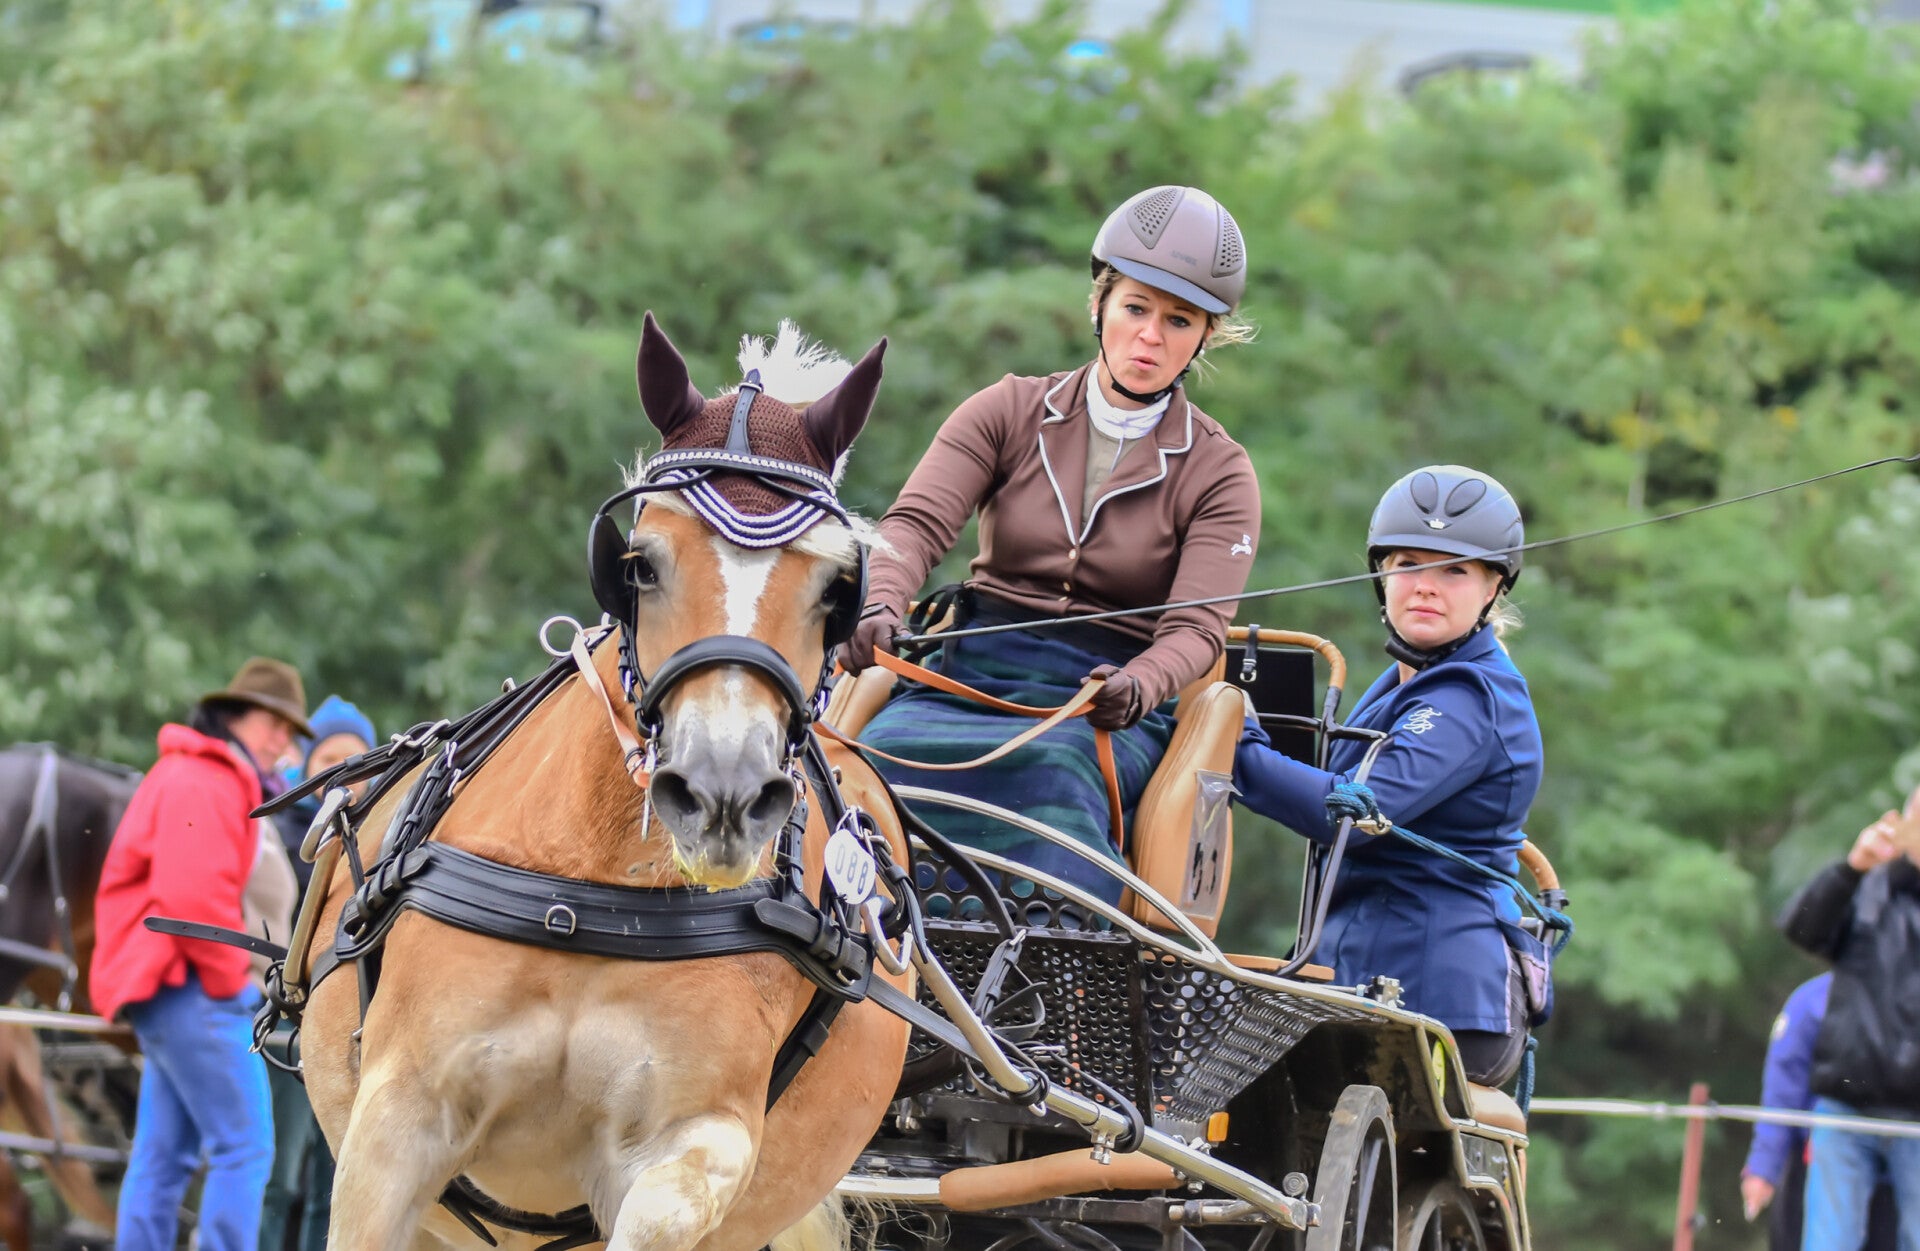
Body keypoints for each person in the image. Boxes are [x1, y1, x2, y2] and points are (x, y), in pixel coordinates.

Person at [843, 184, 1262, 905]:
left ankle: (1048, 961)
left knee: (1057, 770)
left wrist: (1142, 684)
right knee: (878, 755)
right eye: (1136, 308)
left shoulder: (1221, 471)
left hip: (1101, 701)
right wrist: (880, 602)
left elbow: (1196, 629)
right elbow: (913, 527)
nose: (1150, 337)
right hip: (972, 669)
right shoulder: (1005, 409)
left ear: (1204, 337)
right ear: (1099, 304)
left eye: (1178, 320)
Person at [1232, 466, 1543, 1086]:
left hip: (1439, 1005)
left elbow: (1351, 813)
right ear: (1381, 577)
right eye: (1408, 564)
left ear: (1492, 588)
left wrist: (1229, 737)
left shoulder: (1471, 697)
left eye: (1454, 570)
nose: (1425, 586)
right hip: (1360, 975)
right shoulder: (1407, 680)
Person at [91, 658, 312, 1251]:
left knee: (164, 1159)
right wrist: (231, 986)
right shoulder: (206, 776)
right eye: (274, 723)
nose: (282, 741)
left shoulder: (196, 771)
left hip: (171, 987)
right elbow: (191, 902)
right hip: (191, 986)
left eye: (290, 730)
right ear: (234, 716)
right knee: (246, 1148)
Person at [1779, 787, 1920, 1251]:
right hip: (1847, 1102)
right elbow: (1802, 929)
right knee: (1829, 1240)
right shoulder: (1866, 886)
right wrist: (1851, 868)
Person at [259, 695, 374, 1251]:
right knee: (280, 1175)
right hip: (287, 1021)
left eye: (353, 759)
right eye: (327, 758)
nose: (340, 773)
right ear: (306, 767)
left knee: (334, 1181)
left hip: (349, 1025)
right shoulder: (280, 833)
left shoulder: (380, 839)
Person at [1741, 973, 1900, 1251]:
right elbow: (1782, 1091)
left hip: (1898, 1175)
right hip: (1817, 1167)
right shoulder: (1812, 1001)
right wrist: (1764, 1166)